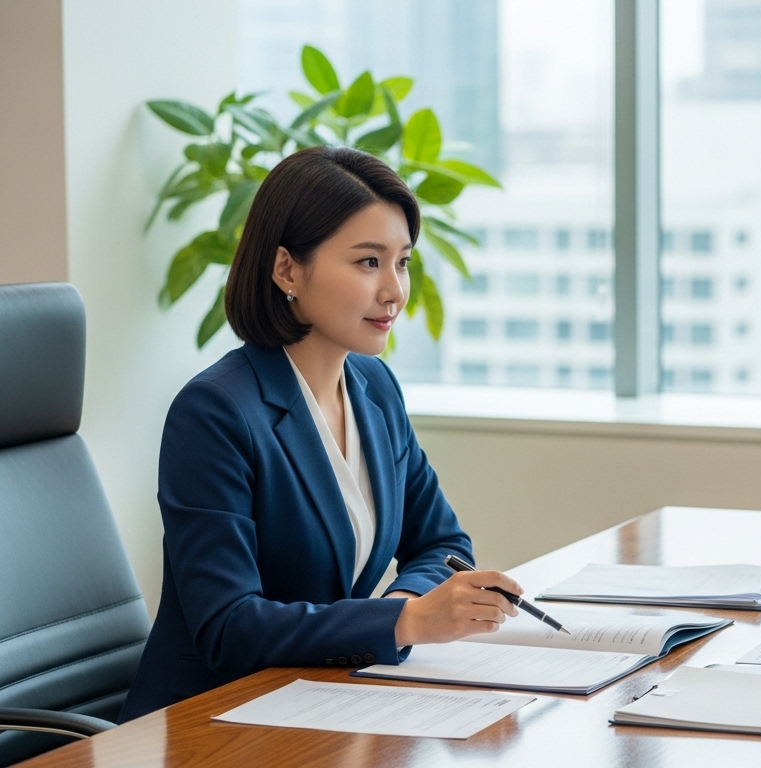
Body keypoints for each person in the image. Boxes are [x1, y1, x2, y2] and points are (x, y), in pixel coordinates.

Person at [121, 147, 521, 720]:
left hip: (319, 704)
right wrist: (405, 622)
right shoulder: (214, 412)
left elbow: (442, 544)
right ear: (287, 269)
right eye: (367, 262)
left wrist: (404, 606)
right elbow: (228, 625)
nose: (394, 291)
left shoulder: (374, 387)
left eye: (402, 262)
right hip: (208, 724)